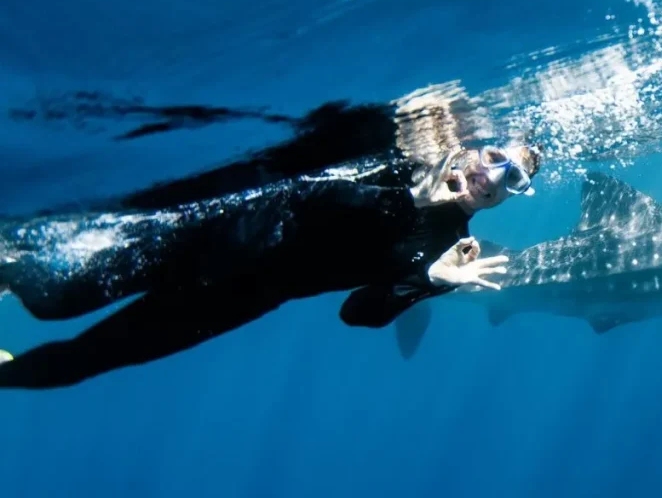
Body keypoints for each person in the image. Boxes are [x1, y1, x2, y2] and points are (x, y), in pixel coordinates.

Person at [0, 143, 541, 389]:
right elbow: (307, 197)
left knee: (81, 363)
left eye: (512, 180)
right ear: (479, 147)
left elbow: (357, 314)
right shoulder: (408, 158)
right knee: (54, 300)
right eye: (497, 159)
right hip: (213, 239)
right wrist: (408, 201)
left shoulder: (451, 253)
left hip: (241, 297)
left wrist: (425, 283)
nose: (494, 180)